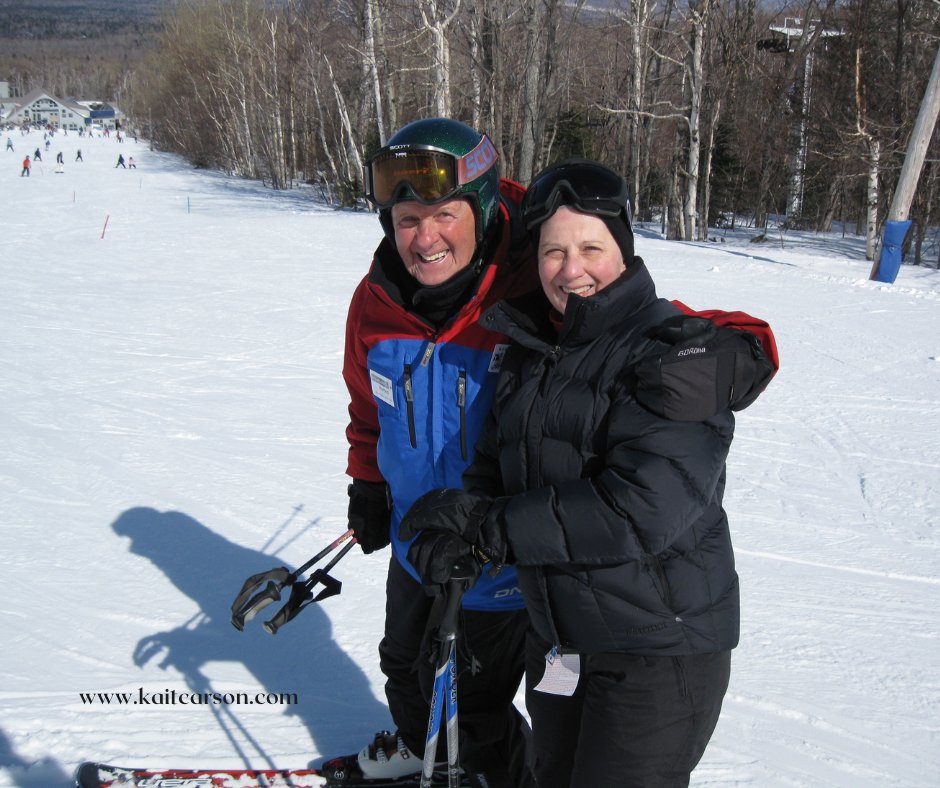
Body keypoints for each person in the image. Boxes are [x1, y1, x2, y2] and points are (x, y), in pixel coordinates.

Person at [336, 122, 779, 785]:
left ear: (482, 211)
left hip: (534, 566)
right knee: (410, 668)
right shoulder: (377, 302)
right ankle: (430, 752)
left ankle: (477, 767)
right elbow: (368, 405)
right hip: (443, 539)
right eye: (407, 219)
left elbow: (676, 326)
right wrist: (370, 485)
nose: (425, 238)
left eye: (444, 215)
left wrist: (736, 352)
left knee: (474, 703)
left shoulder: (527, 292)